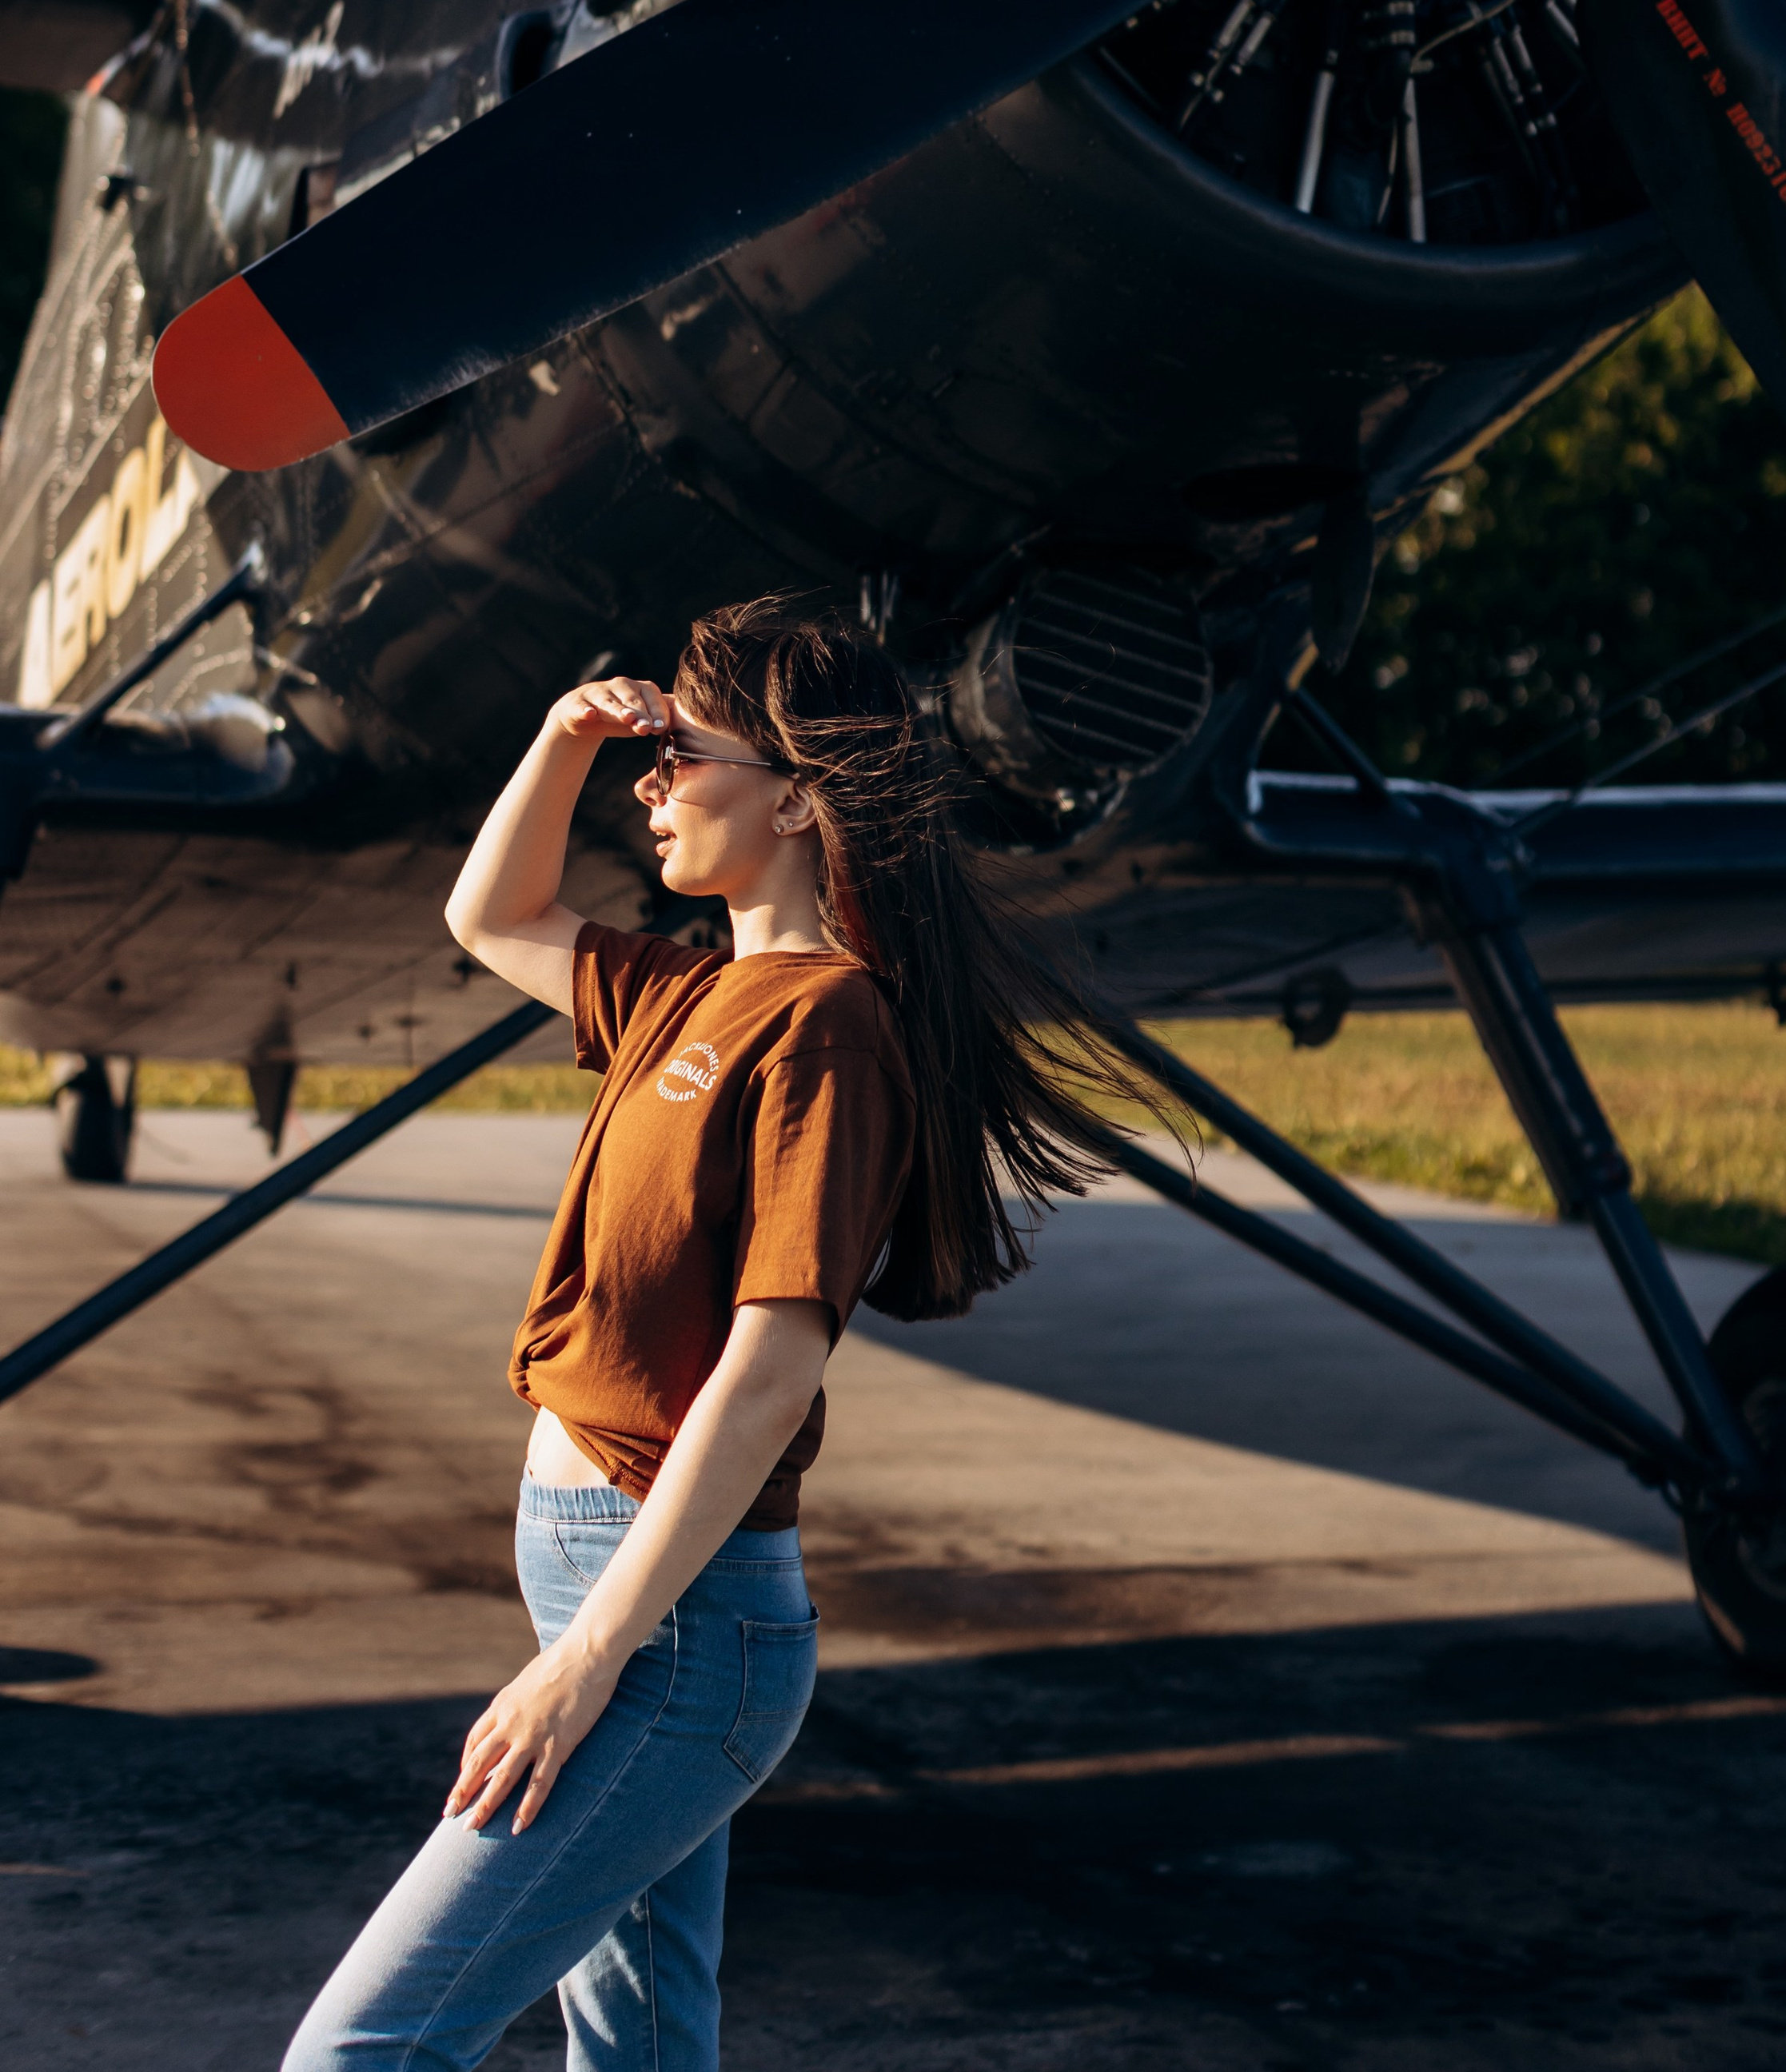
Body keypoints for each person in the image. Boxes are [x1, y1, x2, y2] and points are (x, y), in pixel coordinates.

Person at [282, 593, 1158, 2072]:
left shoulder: (830, 1027)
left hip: (680, 1632)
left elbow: (766, 1378)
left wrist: (584, 1664)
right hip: (619, 1589)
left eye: (681, 758)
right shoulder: (682, 991)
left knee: (365, 2047)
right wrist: (564, 736)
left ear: (800, 800)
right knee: (641, 2040)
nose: (653, 785)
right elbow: (487, 917)